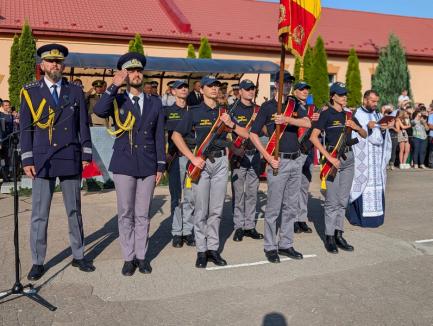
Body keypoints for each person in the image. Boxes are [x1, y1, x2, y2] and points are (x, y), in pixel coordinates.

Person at [19, 43, 95, 281]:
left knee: (74, 210)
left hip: (70, 155)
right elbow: (25, 128)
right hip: (42, 159)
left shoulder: (74, 92)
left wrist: (86, 154)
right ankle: (38, 261)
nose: (55, 65)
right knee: (40, 214)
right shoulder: (30, 91)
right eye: (51, 61)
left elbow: (83, 125)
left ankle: (79, 255)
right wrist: (27, 157)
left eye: (59, 61)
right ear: (42, 65)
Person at [93, 52, 165, 276]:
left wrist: (160, 164)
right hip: (124, 162)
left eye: (138, 71)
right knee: (125, 212)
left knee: (143, 213)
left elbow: (159, 134)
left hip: (148, 162)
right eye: (131, 71)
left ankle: (141, 256)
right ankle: (128, 257)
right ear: (125, 75)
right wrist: (113, 86)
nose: (135, 74)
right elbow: (98, 110)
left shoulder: (154, 101)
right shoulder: (118, 99)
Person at [172, 75, 249, 268]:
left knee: (216, 209)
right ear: (202, 89)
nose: (215, 89)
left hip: (222, 161)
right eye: (210, 86)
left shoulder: (225, 112)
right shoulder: (193, 112)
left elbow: (246, 134)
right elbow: (175, 136)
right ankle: (201, 250)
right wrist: (192, 158)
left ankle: (213, 248)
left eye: (217, 86)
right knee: (201, 209)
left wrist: (231, 124)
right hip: (202, 164)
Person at [250, 71, 311, 263]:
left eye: (290, 83)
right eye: (284, 82)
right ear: (277, 84)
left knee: (291, 206)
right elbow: (253, 134)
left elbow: (307, 122)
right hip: (278, 161)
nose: (287, 86)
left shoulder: (293, 104)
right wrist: (267, 157)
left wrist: (288, 120)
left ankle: (286, 244)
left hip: (295, 160)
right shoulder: (268, 107)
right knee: (274, 207)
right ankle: (270, 246)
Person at [309, 82, 367, 253]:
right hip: (332, 159)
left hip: (349, 159)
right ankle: (329, 237)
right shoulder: (326, 115)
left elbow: (364, 134)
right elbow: (313, 137)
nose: (344, 97)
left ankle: (339, 233)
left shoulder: (349, 115)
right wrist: (329, 158)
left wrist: (356, 127)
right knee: (332, 201)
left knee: (343, 201)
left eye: (345, 94)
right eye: (341, 94)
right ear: (333, 96)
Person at [348, 90, 392, 228]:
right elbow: (354, 138)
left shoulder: (378, 114)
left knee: (376, 189)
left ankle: (377, 218)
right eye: (372, 101)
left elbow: (381, 138)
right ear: (365, 100)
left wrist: (384, 130)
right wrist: (368, 128)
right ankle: (359, 219)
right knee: (362, 187)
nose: (375, 104)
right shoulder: (356, 115)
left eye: (376, 101)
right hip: (363, 160)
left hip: (376, 161)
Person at [230, 79, 263, 242]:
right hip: (238, 155)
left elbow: (264, 130)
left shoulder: (258, 110)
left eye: (252, 89)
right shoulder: (232, 110)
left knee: (252, 193)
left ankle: (249, 226)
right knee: (238, 193)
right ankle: (238, 226)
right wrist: (232, 148)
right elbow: (228, 133)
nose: (251, 91)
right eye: (247, 89)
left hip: (255, 154)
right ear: (240, 91)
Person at [164, 80, 196, 248]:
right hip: (175, 158)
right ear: (173, 92)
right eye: (179, 88)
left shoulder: (194, 111)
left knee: (190, 196)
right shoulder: (167, 111)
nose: (183, 89)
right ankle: (177, 232)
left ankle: (188, 231)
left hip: (191, 158)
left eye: (185, 87)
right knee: (176, 197)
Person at [291, 82, 318, 234]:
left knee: (304, 187)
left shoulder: (312, 108)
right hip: (295, 149)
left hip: (308, 150)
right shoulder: (292, 106)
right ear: (295, 92)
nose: (305, 91)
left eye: (307, 89)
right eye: (302, 89)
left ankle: (302, 218)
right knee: (293, 187)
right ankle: (293, 219)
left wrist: (318, 119)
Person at [0, 100, 14, 181]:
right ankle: (4, 176)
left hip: (11, 141)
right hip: (3, 141)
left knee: (10, 159)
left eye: (8, 105)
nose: (7, 107)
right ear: (2, 106)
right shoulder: (1, 115)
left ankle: (8, 176)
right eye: (5, 105)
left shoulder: (13, 115)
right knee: (4, 159)